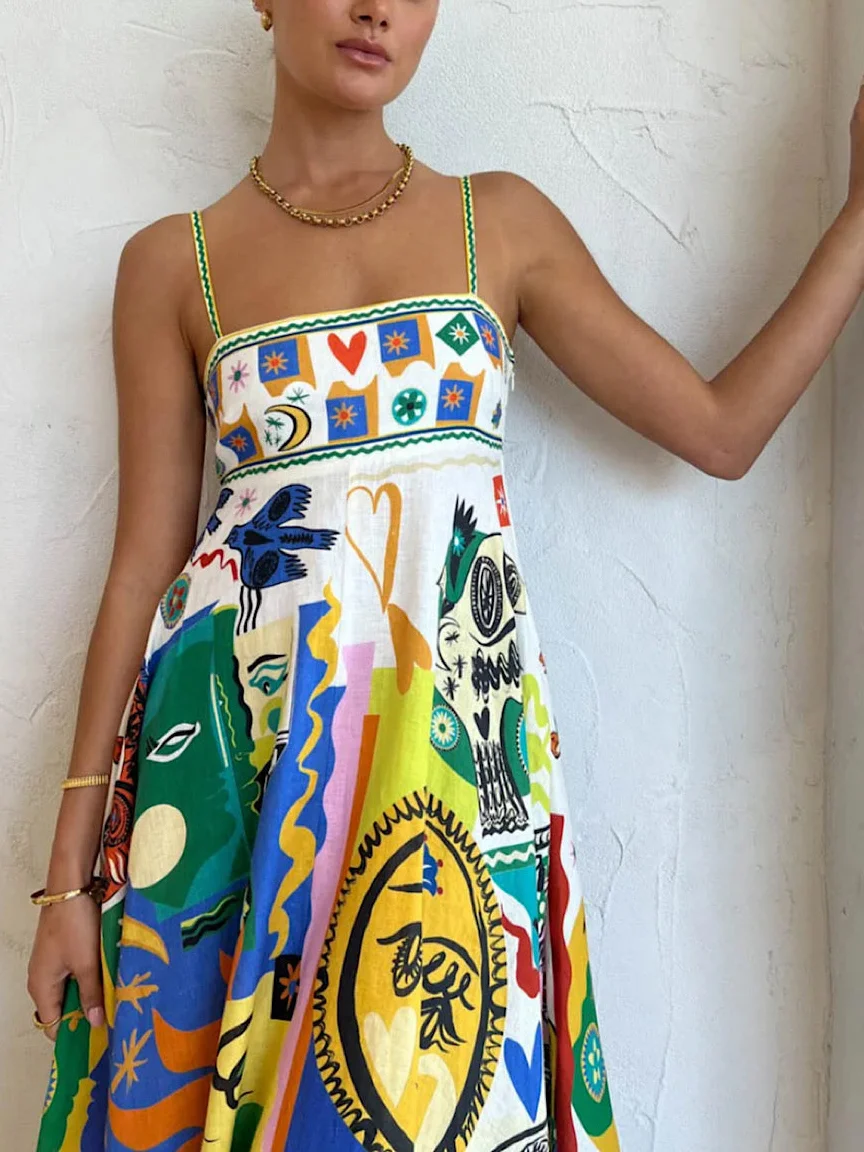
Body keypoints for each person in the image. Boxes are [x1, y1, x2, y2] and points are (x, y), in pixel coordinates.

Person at [27, 1, 864, 1149]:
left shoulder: (497, 224)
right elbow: (141, 571)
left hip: (456, 773)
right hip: (237, 771)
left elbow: (722, 432)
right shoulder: (176, 263)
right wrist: (67, 884)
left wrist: (858, 223)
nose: (379, 9)